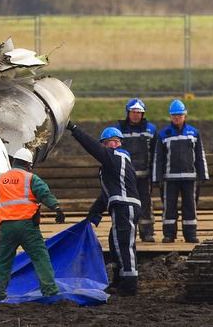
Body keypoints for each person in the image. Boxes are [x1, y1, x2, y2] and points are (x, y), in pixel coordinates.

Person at [0, 147, 65, 301]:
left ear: (13, 162)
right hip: (28, 227)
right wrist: (56, 208)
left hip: (7, 228)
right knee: (40, 258)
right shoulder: (31, 179)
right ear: (29, 165)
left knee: (4, 261)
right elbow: (44, 193)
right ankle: (50, 290)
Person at [66, 122, 141, 296]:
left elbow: (93, 148)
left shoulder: (118, 157)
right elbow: (106, 194)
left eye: (117, 141)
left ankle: (129, 283)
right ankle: (119, 279)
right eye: (110, 141)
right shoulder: (111, 166)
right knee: (115, 242)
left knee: (124, 244)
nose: (114, 144)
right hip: (122, 206)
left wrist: (75, 129)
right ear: (105, 144)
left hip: (126, 205)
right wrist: (94, 213)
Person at [152, 99, 209, 244]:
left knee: (190, 207)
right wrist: (156, 177)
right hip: (169, 179)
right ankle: (169, 235)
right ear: (170, 116)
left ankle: (190, 235)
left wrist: (203, 174)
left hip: (190, 178)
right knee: (169, 208)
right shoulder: (164, 134)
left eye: (180, 115)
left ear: (185, 115)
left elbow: (200, 155)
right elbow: (158, 158)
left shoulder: (194, 133)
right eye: (174, 115)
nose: (177, 118)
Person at [114, 98, 158, 242]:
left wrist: (155, 175)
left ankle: (147, 233)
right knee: (126, 206)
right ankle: (127, 234)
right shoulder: (118, 130)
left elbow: (156, 154)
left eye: (139, 112)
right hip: (125, 176)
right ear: (128, 112)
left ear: (143, 114)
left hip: (144, 176)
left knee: (145, 205)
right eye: (133, 112)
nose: (136, 115)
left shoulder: (151, 129)